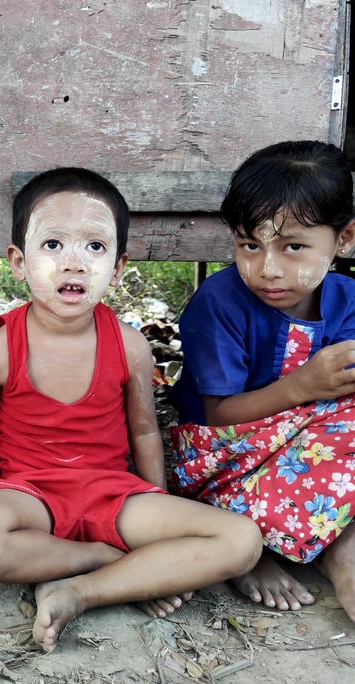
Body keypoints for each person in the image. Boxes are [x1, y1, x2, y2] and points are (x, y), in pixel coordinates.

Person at [0, 167, 262, 653]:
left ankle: (80, 590)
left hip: (113, 492)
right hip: (30, 494)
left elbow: (146, 433)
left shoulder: (129, 347)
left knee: (242, 541)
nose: (74, 264)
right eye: (53, 245)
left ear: (119, 266)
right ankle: (104, 559)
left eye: (95, 247)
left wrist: (155, 499)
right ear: (18, 263)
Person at [170, 141, 355, 623]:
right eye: (249, 245)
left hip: (310, 450)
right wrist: (304, 385)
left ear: (344, 238)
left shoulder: (349, 300)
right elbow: (219, 415)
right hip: (226, 457)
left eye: (294, 246)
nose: (267, 268)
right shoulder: (219, 303)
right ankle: (250, 546)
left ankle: (342, 549)